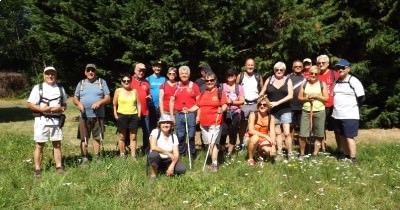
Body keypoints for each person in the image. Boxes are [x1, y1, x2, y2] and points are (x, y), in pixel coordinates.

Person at [27, 66, 67, 177]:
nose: (50, 76)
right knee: (39, 145)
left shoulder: (60, 88)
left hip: (56, 120)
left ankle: (59, 166)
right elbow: (30, 104)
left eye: (52, 74)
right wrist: (41, 109)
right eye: (48, 74)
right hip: (41, 120)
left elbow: (64, 105)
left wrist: (59, 109)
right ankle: (37, 169)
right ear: (44, 75)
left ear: (55, 75)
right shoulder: (38, 88)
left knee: (57, 144)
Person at [74, 64, 110, 163]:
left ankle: (97, 157)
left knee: (97, 137)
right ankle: (84, 157)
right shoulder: (81, 83)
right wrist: (79, 104)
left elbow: (107, 98)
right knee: (83, 137)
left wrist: (99, 103)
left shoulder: (102, 82)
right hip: (84, 116)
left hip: (98, 115)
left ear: (95, 72)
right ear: (85, 72)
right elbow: (75, 98)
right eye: (88, 70)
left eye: (92, 70)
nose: (91, 72)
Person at [332, 59, 365, 164]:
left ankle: (353, 158)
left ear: (348, 69)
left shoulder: (353, 80)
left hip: (350, 115)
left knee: (349, 137)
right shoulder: (336, 81)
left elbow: (362, 97)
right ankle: (346, 156)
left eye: (342, 67)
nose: (340, 70)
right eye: (338, 68)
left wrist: (352, 107)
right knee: (341, 136)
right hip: (337, 115)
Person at [259, 61, 293, 160]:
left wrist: (277, 103)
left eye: (281, 70)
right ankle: (279, 153)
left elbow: (290, 96)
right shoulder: (269, 79)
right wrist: (261, 98)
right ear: (274, 70)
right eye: (276, 70)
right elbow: (262, 92)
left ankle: (290, 153)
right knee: (277, 132)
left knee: (286, 132)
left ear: (284, 71)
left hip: (285, 109)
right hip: (273, 111)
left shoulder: (288, 80)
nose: (279, 71)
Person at [195, 72, 227, 172]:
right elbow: (197, 105)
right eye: (207, 80)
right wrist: (188, 109)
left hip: (216, 122)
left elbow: (224, 104)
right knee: (208, 145)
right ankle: (215, 157)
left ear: (215, 81)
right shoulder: (202, 93)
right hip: (204, 124)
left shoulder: (219, 92)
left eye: (211, 80)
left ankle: (214, 164)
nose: (209, 82)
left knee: (213, 143)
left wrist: (222, 109)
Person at [298, 66, 329, 160]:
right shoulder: (304, 84)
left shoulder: (322, 84)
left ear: (318, 74)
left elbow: (327, 99)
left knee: (319, 134)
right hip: (306, 111)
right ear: (308, 73)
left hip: (319, 111)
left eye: (316, 74)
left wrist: (316, 96)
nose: (313, 75)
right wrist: (307, 98)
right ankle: (302, 154)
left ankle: (315, 154)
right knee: (303, 134)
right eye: (311, 73)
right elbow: (299, 98)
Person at [170, 66, 201, 158]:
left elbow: (199, 103)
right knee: (180, 135)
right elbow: (171, 101)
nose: (184, 75)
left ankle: (192, 154)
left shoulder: (194, 86)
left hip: (191, 114)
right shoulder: (176, 86)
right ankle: (182, 154)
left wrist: (198, 116)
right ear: (179, 75)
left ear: (189, 74)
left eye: (186, 73)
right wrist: (172, 116)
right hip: (178, 114)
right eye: (182, 73)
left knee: (191, 135)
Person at [236, 58, 264, 150]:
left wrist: (260, 102)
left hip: (255, 104)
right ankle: (241, 144)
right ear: (245, 66)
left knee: (255, 126)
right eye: (248, 65)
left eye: (252, 65)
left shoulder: (258, 76)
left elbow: (262, 90)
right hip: (244, 104)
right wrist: (238, 103)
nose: (250, 66)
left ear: (254, 66)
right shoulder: (240, 76)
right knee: (242, 126)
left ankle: (254, 144)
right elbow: (236, 90)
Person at [113, 73, 141, 159]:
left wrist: (139, 114)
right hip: (122, 115)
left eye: (128, 81)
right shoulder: (118, 91)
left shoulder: (134, 91)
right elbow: (114, 104)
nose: (126, 82)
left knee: (133, 136)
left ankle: (133, 155)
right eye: (124, 81)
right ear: (121, 82)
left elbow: (138, 104)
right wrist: (115, 114)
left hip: (133, 115)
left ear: (131, 81)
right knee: (122, 136)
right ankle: (122, 154)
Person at [220, 68, 245, 158]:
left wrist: (232, 102)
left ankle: (230, 153)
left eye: (232, 75)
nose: (230, 77)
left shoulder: (239, 87)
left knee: (233, 133)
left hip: (235, 112)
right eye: (228, 75)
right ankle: (222, 151)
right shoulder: (222, 86)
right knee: (223, 132)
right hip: (224, 112)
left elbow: (242, 101)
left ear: (235, 77)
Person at [316, 55, 339, 154]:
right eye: (319, 63)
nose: (321, 65)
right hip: (321, 105)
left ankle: (340, 149)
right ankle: (323, 148)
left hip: (334, 105)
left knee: (337, 129)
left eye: (323, 63)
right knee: (321, 128)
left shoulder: (334, 74)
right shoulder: (315, 75)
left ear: (328, 64)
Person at [246, 96, 276, 165]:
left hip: (262, 139)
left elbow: (272, 132)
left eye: (264, 105)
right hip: (251, 138)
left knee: (269, 150)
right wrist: (265, 136)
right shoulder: (253, 114)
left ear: (268, 106)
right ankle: (251, 159)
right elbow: (250, 130)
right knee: (255, 138)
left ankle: (258, 153)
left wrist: (273, 145)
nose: (262, 106)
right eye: (260, 104)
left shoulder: (271, 117)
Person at [130, 63, 151, 155]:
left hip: (145, 111)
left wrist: (149, 96)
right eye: (140, 70)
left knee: (146, 132)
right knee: (131, 133)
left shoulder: (146, 82)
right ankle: (129, 150)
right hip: (132, 111)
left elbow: (148, 93)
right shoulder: (129, 80)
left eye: (143, 70)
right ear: (135, 70)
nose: (141, 72)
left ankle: (146, 151)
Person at [289, 60, 305, 145]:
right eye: (296, 66)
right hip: (290, 106)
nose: (298, 68)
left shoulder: (305, 78)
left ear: (302, 68)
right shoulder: (288, 77)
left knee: (302, 127)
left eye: (299, 66)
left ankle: (300, 144)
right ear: (292, 68)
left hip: (302, 106)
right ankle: (290, 143)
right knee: (291, 126)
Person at [146, 61, 166, 129]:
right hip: (151, 106)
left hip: (162, 106)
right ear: (153, 68)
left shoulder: (164, 79)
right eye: (156, 66)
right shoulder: (148, 79)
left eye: (159, 67)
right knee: (152, 126)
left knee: (163, 125)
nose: (157, 68)